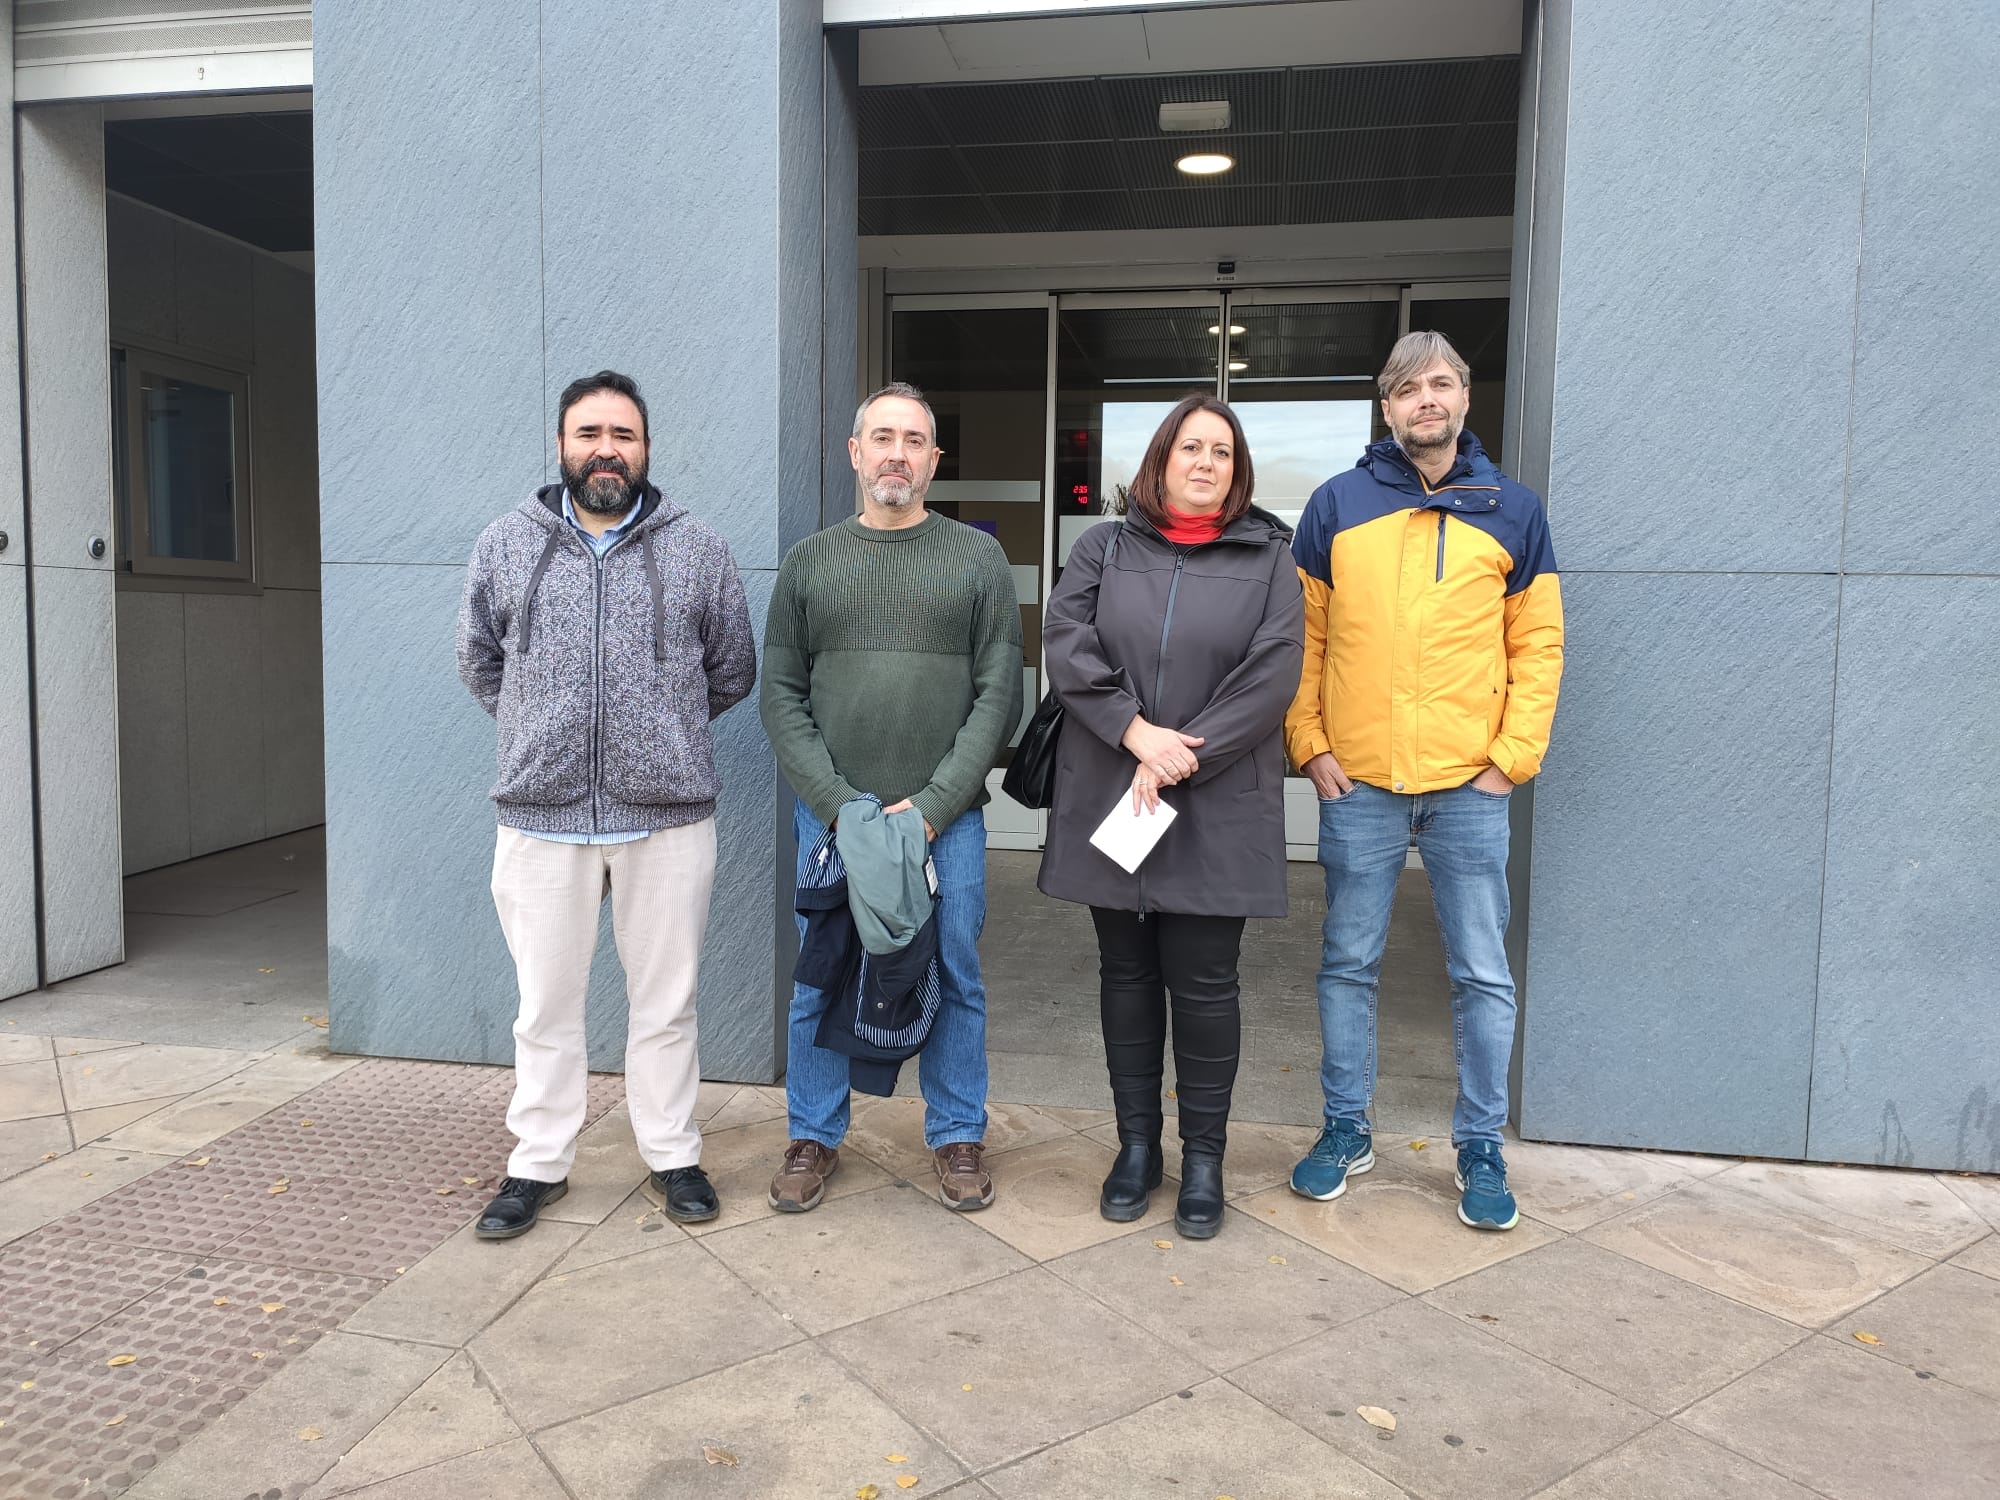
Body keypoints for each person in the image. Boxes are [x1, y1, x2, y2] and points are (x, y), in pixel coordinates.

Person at [456, 369, 757, 1239]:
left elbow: (729, 667)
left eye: (622, 435)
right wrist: (540, 732)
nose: (606, 449)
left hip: (666, 817)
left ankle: (671, 1154)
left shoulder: (695, 547)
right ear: (561, 444)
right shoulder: (507, 543)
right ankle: (537, 1163)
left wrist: (654, 735)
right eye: (589, 433)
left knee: (668, 1003)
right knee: (544, 1007)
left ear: (646, 449)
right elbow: (481, 661)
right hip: (541, 817)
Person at [1285, 331, 1564, 1231]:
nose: (1425, 401)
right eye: (1407, 389)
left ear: (1464, 399)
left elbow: (1538, 646)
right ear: (1387, 406)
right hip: (1358, 783)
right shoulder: (1336, 505)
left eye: (1439, 384)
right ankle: (1344, 1128)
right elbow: (1303, 641)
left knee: (1483, 973)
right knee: (1347, 964)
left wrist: (1509, 762)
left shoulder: (1514, 511)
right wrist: (1311, 745)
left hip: (1468, 789)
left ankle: (1480, 1143)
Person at [1039, 393, 1304, 1239]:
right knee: (1125, 976)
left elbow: (1273, 674)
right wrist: (1136, 732)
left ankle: (1205, 1161)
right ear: (1160, 460)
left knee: (1204, 985)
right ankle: (1136, 1148)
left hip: (1214, 801)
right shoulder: (1102, 547)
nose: (1205, 463)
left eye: (1222, 452)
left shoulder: (1270, 560)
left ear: (1238, 471)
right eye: (1191, 447)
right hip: (1116, 789)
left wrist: (1183, 752)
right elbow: (1065, 639)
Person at [760, 382, 1023, 1214]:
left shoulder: (975, 558)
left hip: (945, 823)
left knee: (955, 970)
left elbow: (999, 692)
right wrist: (839, 806)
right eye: (883, 438)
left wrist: (939, 801)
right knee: (821, 976)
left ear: (935, 460)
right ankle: (812, 1133)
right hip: (836, 820)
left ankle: (955, 1135)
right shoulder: (810, 563)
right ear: (855, 452)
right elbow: (780, 694)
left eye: (914, 440)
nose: (897, 454)